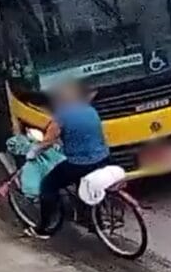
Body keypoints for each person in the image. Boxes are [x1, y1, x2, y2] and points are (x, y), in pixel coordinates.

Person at [25, 80, 109, 239]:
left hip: (79, 163)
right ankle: (95, 220)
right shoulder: (91, 111)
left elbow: (48, 141)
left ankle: (43, 229)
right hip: (103, 158)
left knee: (48, 185)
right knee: (84, 183)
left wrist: (34, 151)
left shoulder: (61, 116)